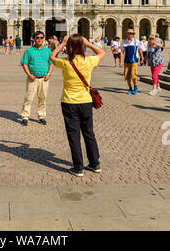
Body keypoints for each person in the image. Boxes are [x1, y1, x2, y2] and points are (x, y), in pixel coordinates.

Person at [49, 34, 106, 177]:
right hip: (86, 101)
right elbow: (102, 53)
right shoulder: (89, 61)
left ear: (69, 48)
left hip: (69, 102)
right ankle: (95, 163)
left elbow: (51, 57)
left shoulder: (66, 63)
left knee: (74, 135)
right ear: (81, 46)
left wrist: (62, 44)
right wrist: (88, 43)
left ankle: (78, 167)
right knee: (89, 132)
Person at [20, 31, 54, 126]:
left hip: (44, 79)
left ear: (44, 39)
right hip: (32, 78)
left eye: (41, 37)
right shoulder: (28, 51)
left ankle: (41, 116)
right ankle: (25, 116)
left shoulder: (48, 51)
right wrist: (29, 74)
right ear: (34, 39)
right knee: (28, 98)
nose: (39, 39)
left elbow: (51, 63)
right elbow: (24, 63)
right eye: (37, 37)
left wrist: (49, 74)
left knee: (42, 98)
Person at [120, 29, 144, 94]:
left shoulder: (136, 41)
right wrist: (120, 62)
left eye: (131, 34)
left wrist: (142, 59)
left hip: (134, 61)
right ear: (127, 34)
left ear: (133, 34)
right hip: (126, 61)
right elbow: (122, 52)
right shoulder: (124, 42)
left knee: (134, 75)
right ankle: (130, 88)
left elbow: (140, 50)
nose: (130, 35)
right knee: (127, 76)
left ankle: (135, 88)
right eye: (129, 33)